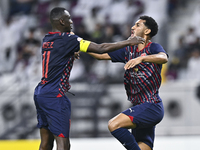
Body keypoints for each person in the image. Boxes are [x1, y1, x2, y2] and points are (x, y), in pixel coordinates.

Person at [33, 7, 145, 150]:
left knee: (46, 143)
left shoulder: (47, 39)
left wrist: (71, 51)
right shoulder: (69, 40)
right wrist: (128, 42)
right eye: (68, 18)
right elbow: (100, 48)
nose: (72, 21)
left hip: (40, 93)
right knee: (63, 144)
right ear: (62, 21)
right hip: (55, 96)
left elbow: (58, 52)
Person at [88, 15, 168, 150]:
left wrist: (142, 59)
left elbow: (163, 57)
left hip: (151, 105)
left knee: (113, 124)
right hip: (140, 107)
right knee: (143, 147)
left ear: (147, 31)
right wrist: (77, 45)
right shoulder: (128, 50)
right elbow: (100, 55)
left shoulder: (153, 47)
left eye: (138, 25)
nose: (133, 27)